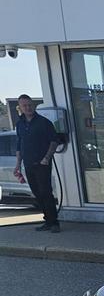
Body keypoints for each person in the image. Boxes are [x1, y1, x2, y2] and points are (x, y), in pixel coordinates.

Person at [13, 94, 60, 232]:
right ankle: (47, 220)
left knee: (46, 192)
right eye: (24, 105)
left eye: (29, 105)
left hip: (42, 163)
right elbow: (19, 144)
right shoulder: (19, 124)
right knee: (37, 193)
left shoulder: (43, 122)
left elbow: (54, 141)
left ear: (33, 105)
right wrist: (18, 165)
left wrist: (47, 157)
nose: (28, 108)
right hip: (28, 164)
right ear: (20, 107)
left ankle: (54, 223)